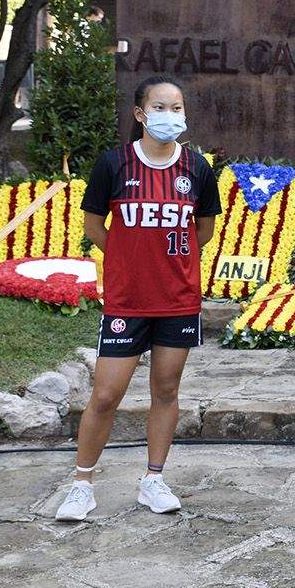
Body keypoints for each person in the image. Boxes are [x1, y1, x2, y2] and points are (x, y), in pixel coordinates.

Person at [54, 76, 222, 521]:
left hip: (178, 299)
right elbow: (94, 227)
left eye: (177, 106)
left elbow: (201, 231)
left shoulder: (197, 169)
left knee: (166, 390)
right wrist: (129, 258)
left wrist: (167, 262)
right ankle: (81, 484)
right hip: (127, 301)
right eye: (161, 106)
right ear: (141, 114)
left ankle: (153, 479)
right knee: (106, 395)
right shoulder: (115, 164)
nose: (171, 114)